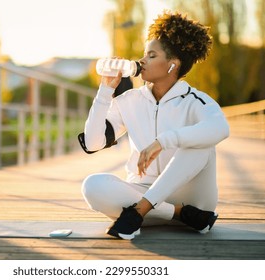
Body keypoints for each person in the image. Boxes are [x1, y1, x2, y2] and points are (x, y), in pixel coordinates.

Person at [78, 11, 230, 240]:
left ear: (172, 66)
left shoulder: (196, 101)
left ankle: (141, 211)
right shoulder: (129, 101)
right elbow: (92, 143)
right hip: (149, 196)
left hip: (193, 197)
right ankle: (177, 214)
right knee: (92, 185)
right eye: (143, 54)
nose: (141, 61)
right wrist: (105, 90)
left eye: (151, 55)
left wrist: (164, 140)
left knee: (200, 142)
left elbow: (221, 129)